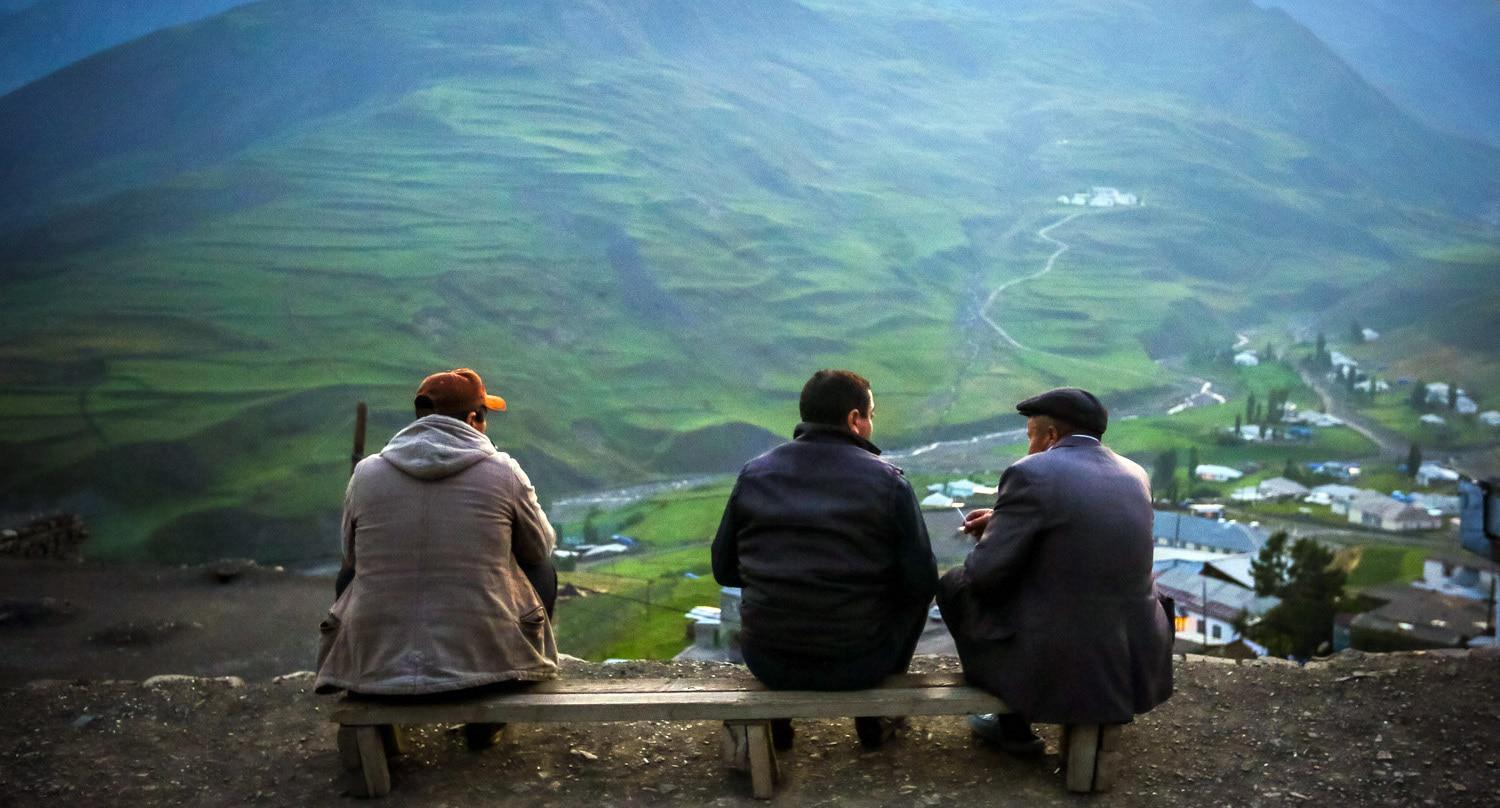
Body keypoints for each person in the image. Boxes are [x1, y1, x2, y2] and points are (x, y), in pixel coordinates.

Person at [315, 368, 559, 748]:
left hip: (378, 673)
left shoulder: (366, 473)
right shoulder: (503, 471)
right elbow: (540, 548)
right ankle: (494, 708)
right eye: (485, 416)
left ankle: (375, 691)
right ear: (474, 419)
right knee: (541, 568)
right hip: (486, 675)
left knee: (350, 574)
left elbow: (351, 555)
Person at [936, 388, 1173, 753]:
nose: (1029, 446)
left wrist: (992, 540)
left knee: (955, 584)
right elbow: (1083, 540)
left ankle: (1012, 721)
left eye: (1030, 436)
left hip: (1065, 651)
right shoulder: (1135, 474)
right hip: (1137, 649)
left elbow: (984, 576)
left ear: (1050, 436)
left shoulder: (1030, 472)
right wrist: (1002, 522)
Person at [712, 369, 938, 749]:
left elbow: (724, 569)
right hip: (861, 664)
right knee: (914, 595)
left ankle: (778, 726)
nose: (871, 424)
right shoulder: (888, 482)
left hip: (768, 660)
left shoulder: (754, 475)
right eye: (871, 415)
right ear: (854, 419)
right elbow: (922, 582)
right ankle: (874, 717)